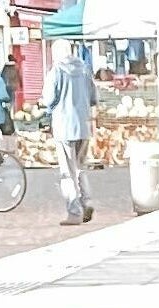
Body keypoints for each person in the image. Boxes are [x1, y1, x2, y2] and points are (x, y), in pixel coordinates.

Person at [42, 43, 94, 226]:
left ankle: (74, 211)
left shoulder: (56, 71)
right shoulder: (85, 69)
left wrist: (48, 108)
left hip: (64, 126)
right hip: (83, 125)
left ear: (56, 53)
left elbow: (48, 99)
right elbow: (93, 97)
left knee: (67, 172)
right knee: (80, 167)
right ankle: (87, 201)